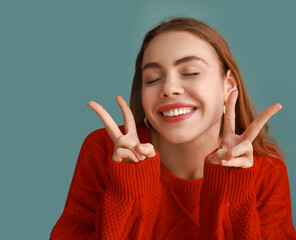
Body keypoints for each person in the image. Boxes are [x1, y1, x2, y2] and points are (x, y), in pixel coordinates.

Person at [50, 17, 296, 239]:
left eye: (190, 72)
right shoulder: (104, 150)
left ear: (228, 86)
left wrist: (231, 188)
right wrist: (129, 189)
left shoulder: (266, 168)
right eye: (153, 79)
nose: (168, 88)